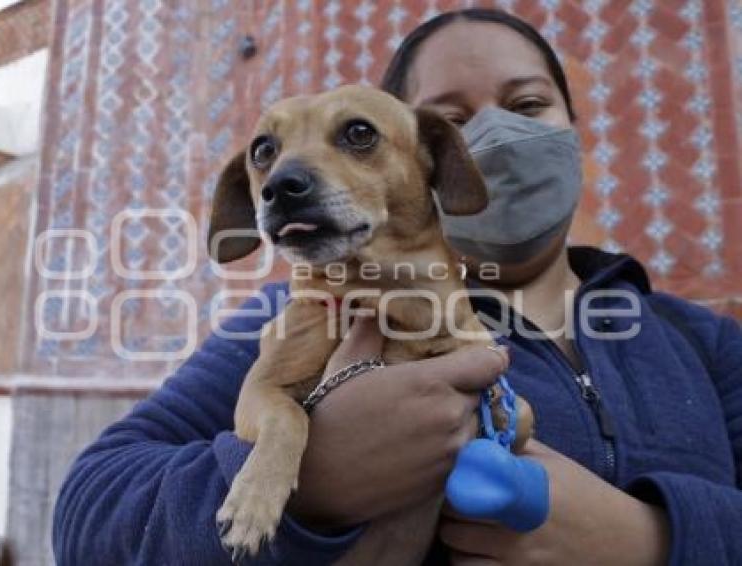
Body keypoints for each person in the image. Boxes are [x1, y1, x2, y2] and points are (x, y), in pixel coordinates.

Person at [52, 8, 742, 566]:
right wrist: (314, 480)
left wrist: (653, 540)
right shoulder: (302, 312)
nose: (494, 136)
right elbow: (90, 513)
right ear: (430, 160)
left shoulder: (702, 340)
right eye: (456, 117)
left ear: (573, 129)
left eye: (528, 104)